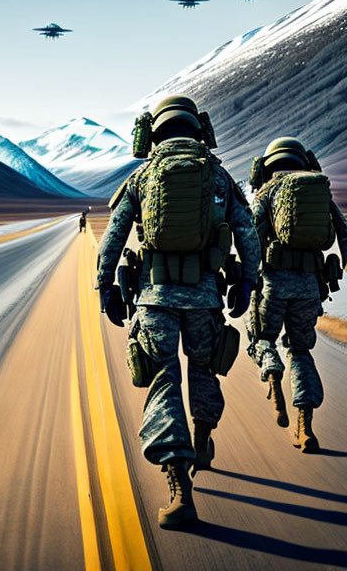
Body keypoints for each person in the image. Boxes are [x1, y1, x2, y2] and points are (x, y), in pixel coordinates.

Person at [97, 95, 260, 529]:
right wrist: (247, 280)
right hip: (205, 298)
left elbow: (113, 236)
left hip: (155, 300)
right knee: (204, 370)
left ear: (154, 134)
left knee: (164, 382)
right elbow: (247, 233)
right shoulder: (219, 177)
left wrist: (105, 286)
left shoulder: (143, 176)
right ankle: (202, 440)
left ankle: (179, 490)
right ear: (197, 130)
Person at [247, 137, 347, 453]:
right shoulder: (319, 191)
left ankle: (272, 375)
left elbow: (250, 234)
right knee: (301, 350)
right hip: (309, 288)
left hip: (273, 286)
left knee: (263, 340)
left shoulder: (267, 192)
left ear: (269, 165)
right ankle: (304, 428)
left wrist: (247, 277)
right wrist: (339, 268)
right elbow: (344, 233)